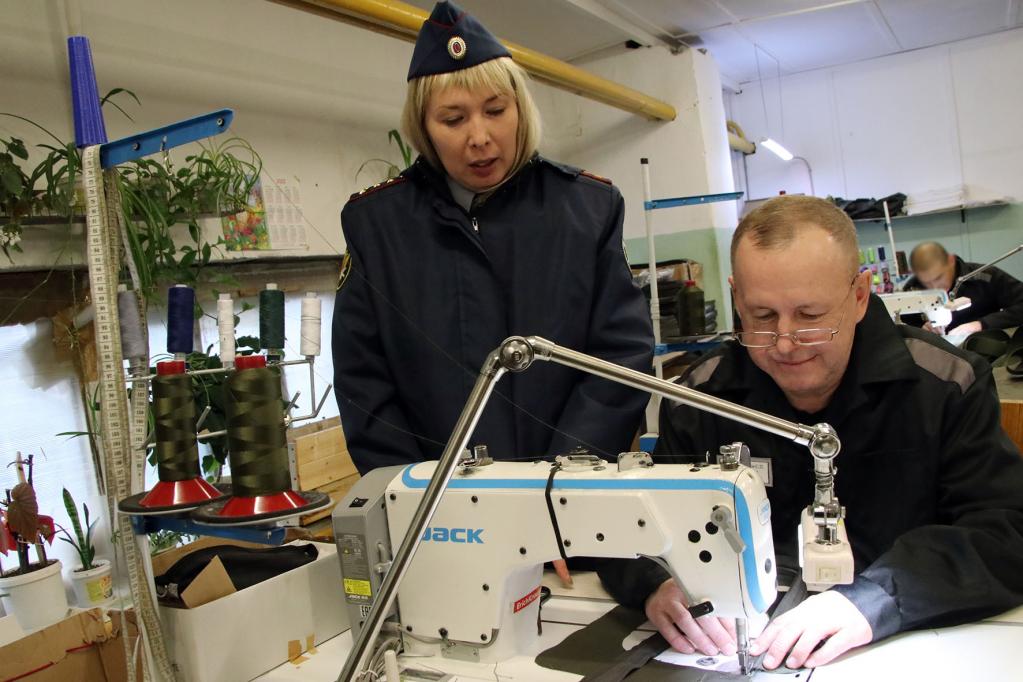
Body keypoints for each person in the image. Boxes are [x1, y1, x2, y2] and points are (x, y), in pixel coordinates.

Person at [598, 196, 1023, 670]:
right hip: (742, 638)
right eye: (762, 316)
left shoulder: (946, 386)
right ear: (737, 298)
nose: (785, 343)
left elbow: (1006, 532)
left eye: (810, 316)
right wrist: (656, 584)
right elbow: (630, 527)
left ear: (859, 295)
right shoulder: (700, 399)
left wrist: (879, 598)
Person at [332, 1, 653, 476]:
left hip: (570, 495)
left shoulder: (589, 209)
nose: (479, 136)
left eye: (496, 110)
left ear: (520, 109)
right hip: (434, 505)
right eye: (453, 119)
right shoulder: (376, 227)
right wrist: (420, 492)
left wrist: (560, 481)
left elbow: (621, 357)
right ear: (424, 128)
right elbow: (363, 383)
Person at [904, 241, 1023, 335]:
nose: (935, 287)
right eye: (927, 282)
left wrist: (981, 325)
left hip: (987, 346)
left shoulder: (985, 276)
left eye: (939, 277)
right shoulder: (913, 288)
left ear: (950, 261)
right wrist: (922, 330)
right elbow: (905, 326)